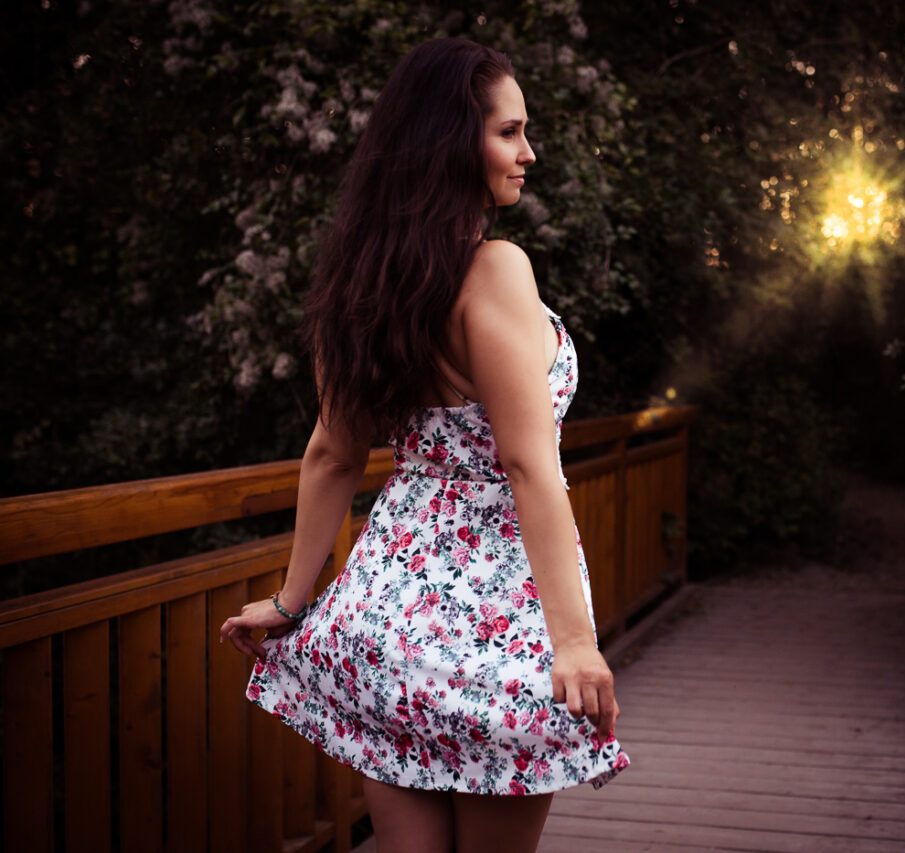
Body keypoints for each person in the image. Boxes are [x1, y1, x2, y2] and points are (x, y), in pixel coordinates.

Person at [218, 38, 628, 853]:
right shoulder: (497, 272)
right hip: (497, 635)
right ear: (452, 142)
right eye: (510, 132)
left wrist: (293, 602)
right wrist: (576, 642)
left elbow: (331, 456)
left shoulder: (366, 285)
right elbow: (524, 462)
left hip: (388, 626)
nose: (529, 152)